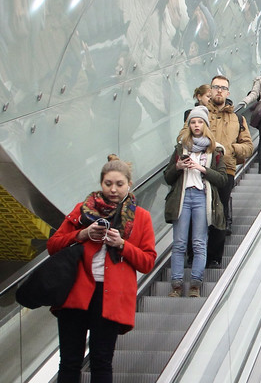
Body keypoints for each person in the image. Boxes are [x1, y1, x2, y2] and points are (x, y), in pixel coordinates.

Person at [47, 155, 156, 383]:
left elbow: (147, 262)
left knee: (102, 360)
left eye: (119, 184)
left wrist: (122, 245)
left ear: (129, 184)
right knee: (69, 361)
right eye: (108, 184)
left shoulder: (141, 217)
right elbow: (53, 245)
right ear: (101, 184)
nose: (113, 190)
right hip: (76, 292)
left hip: (111, 296)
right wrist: (82, 234)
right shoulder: (82, 210)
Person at [163, 106, 231, 297]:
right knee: (179, 243)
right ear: (189, 125)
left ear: (205, 125)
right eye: (193, 122)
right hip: (183, 198)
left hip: (202, 197)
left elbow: (222, 179)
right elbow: (167, 178)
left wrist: (202, 169)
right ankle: (176, 284)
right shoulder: (180, 148)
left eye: (200, 122)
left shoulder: (215, 150)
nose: (196, 125)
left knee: (199, 242)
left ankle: (195, 284)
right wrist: (178, 166)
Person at [205, 75, 253, 266]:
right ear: (210, 90)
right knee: (199, 212)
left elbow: (248, 147)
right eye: (216, 87)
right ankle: (196, 255)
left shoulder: (237, 118)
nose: (219, 91)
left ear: (228, 92)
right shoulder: (200, 114)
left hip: (226, 171)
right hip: (202, 168)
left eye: (223, 88)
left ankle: (215, 257)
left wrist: (231, 149)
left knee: (220, 212)